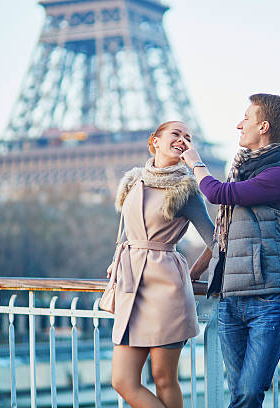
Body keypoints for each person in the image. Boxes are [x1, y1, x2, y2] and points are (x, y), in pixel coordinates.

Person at [180, 93, 280, 408]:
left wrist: (195, 162)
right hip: (231, 299)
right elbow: (226, 235)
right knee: (240, 395)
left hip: (269, 299)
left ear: (263, 126)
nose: (239, 124)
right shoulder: (243, 172)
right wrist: (195, 272)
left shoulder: (279, 177)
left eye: (246, 119)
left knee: (248, 393)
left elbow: (216, 193)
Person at [109, 121, 215, 408]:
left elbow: (216, 241)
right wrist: (117, 261)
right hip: (131, 288)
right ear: (155, 141)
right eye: (175, 134)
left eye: (188, 137)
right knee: (122, 380)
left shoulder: (187, 190)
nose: (182, 139)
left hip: (166, 288)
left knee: (163, 377)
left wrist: (195, 272)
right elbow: (130, 230)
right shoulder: (133, 181)